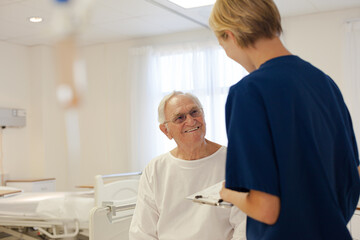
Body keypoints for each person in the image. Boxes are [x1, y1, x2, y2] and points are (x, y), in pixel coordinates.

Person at [209, 0, 360, 239]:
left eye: (223, 45)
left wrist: (228, 193)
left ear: (231, 35)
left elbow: (266, 209)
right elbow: (353, 177)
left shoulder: (248, 92)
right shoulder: (325, 83)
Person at [129, 91, 246, 240]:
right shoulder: (155, 169)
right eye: (180, 118)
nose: (191, 121)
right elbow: (142, 231)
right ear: (166, 131)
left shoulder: (233, 161)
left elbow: (244, 227)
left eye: (194, 112)